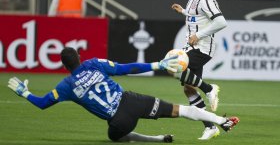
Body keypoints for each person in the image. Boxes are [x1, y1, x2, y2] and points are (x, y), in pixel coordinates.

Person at [8, 47, 239, 143]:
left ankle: (156, 140)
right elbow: (127, 68)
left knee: (114, 136)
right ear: (79, 56)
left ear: (64, 66)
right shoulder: (94, 64)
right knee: (181, 110)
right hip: (132, 100)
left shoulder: (66, 85)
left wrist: (25, 92)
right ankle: (222, 121)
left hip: (119, 120)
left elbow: (42, 104)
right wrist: (157, 65)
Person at [171, 0, 228, 140]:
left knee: (174, 66)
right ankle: (210, 127)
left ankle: (210, 88)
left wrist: (198, 35)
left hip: (203, 48)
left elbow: (221, 22)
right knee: (189, 89)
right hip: (193, 47)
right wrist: (184, 11)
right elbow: (197, 16)